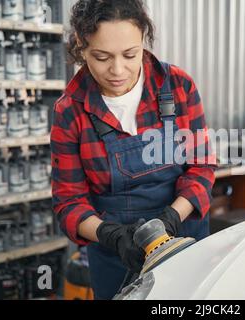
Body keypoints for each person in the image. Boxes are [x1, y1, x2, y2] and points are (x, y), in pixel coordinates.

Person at [51, 0, 215, 300]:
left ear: (143, 40)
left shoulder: (178, 86)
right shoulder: (70, 111)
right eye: (101, 57)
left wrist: (172, 218)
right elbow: (68, 201)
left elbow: (201, 166)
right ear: (81, 46)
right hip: (116, 257)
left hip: (184, 239)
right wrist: (110, 236)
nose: (117, 70)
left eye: (130, 54)